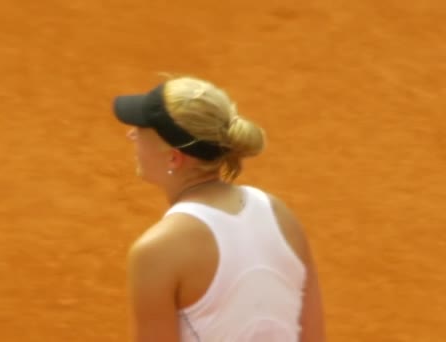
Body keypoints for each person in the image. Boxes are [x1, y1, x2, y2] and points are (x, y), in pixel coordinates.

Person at [112, 75, 326, 342]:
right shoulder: (278, 213)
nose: (131, 134)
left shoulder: (158, 251)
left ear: (173, 158)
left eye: (143, 129)